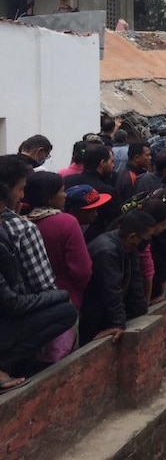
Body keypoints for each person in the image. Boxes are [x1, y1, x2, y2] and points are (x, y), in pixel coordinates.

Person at [0, 156, 76, 385]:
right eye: (20, 189)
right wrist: (61, 295)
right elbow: (16, 300)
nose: (22, 195)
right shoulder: (22, 228)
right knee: (66, 311)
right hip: (10, 312)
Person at [22, 172, 92, 362]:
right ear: (49, 197)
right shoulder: (65, 222)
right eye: (61, 191)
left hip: (30, 303)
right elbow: (82, 269)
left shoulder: (22, 222)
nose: (66, 195)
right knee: (62, 357)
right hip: (65, 299)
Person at [79, 210, 155, 345]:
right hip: (94, 311)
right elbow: (111, 289)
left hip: (110, 308)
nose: (148, 242)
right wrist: (118, 323)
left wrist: (141, 313)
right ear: (133, 237)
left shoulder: (130, 248)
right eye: (147, 237)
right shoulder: (106, 251)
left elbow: (136, 281)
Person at [63, 145, 120, 242]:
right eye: (111, 161)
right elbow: (114, 223)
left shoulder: (66, 181)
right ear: (102, 163)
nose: (113, 166)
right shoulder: (108, 192)